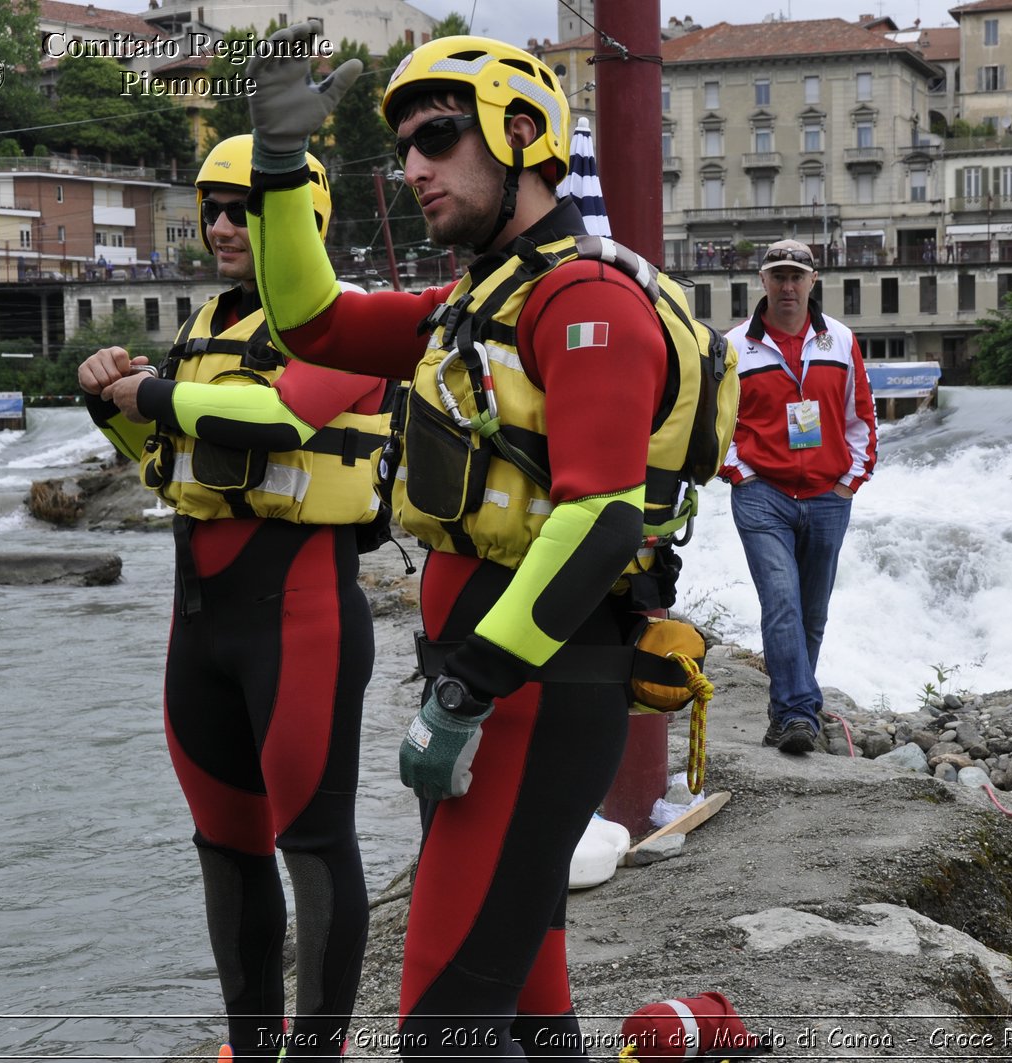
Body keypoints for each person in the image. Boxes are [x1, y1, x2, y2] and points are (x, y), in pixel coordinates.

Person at [240, 24, 702, 1057]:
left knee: (442, 1024)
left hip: (531, 696)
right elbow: (310, 322)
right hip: (491, 692)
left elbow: (600, 516)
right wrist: (277, 171)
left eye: (440, 137)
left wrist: (468, 691)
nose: (414, 168)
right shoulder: (468, 305)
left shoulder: (583, 299)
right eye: (404, 146)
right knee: (529, 1004)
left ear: (523, 131)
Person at [76, 136, 390, 1062]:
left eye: (244, 205)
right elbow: (174, 472)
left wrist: (151, 391)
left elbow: (284, 415)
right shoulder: (205, 325)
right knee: (227, 850)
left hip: (304, 624)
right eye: (211, 205)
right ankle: (251, 1048)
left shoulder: (353, 324)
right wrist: (111, 404)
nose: (219, 224)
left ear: (301, 216)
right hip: (201, 627)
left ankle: (319, 1053)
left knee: (314, 845)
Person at [720, 239, 876, 755]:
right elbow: (715, 423)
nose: (788, 286)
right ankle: (797, 714)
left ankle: (787, 711)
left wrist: (849, 481)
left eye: (797, 277)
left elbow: (861, 418)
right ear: (762, 282)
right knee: (782, 603)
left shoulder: (841, 340)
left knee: (812, 613)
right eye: (778, 276)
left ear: (813, 282)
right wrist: (738, 473)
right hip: (763, 494)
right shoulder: (734, 346)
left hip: (829, 496)